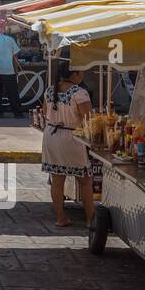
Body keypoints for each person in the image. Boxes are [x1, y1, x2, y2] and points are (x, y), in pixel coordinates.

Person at [41, 67, 96, 228]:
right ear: (75, 74)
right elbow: (88, 118)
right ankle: (90, 219)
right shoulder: (79, 93)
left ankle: (60, 217)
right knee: (85, 179)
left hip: (51, 134)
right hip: (71, 136)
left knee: (57, 179)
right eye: (81, 72)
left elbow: (45, 112)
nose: (83, 75)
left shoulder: (50, 90)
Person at [0, 26, 23, 118]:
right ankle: (17, 112)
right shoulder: (10, 40)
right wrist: (16, 70)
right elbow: (15, 56)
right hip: (8, 70)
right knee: (12, 93)